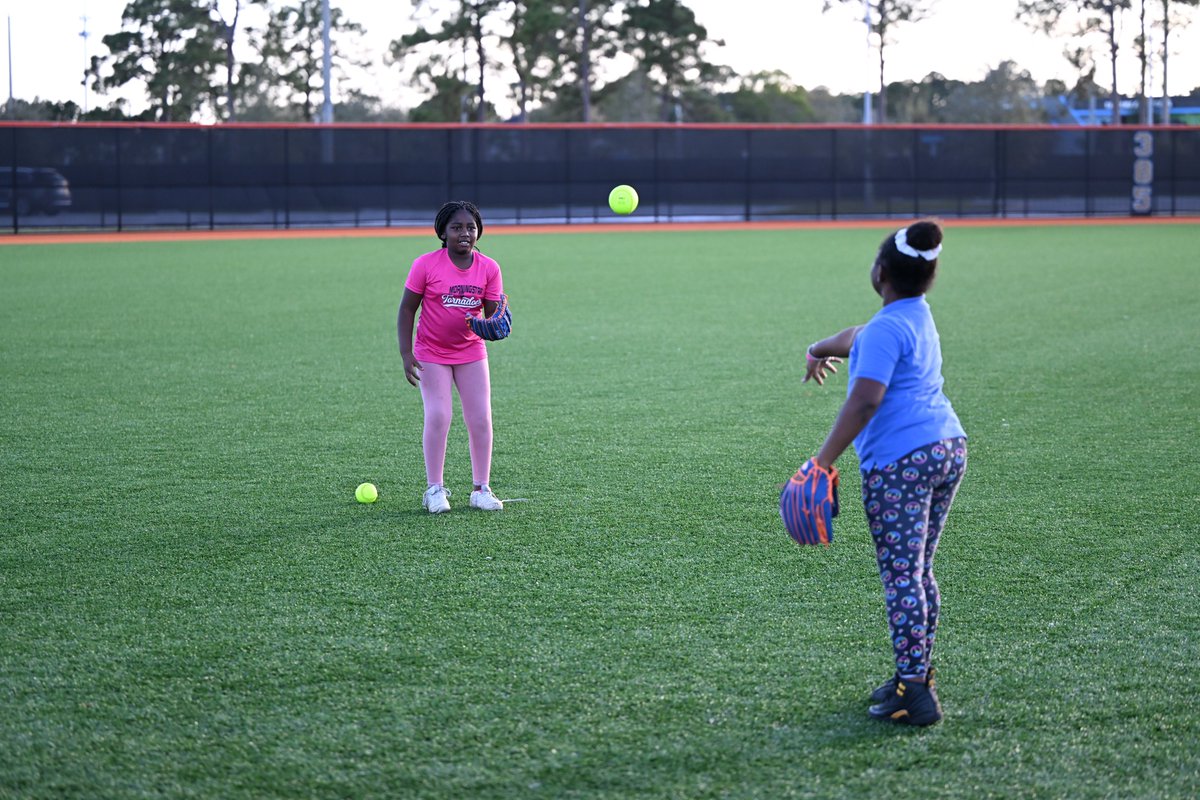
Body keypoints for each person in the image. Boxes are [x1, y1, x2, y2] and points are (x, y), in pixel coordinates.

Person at [803, 219, 967, 727]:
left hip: (901, 464)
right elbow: (857, 337)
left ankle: (914, 692)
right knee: (920, 572)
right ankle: (914, 673)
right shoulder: (915, 316)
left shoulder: (886, 329)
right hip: (947, 448)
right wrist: (818, 348)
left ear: (880, 272)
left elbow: (865, 399)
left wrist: (822, 460)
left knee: (901, 578)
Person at [398, 201, 505, 514]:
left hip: (471, 351)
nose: (464, 233)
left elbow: (492, 314)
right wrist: (406, 353)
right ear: (443, 232)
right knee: (439, 415)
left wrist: (494, 321)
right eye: (457, 227)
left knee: (480, 419)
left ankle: (481, 488)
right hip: (431, 352)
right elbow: (407, 308)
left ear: (478, 233)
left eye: (471, 227)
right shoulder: (426, 265)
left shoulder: (489, 267)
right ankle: (434, 489)